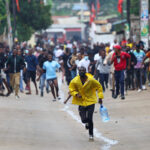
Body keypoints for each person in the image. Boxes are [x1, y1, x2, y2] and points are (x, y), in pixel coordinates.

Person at [67, 66, 104, 141]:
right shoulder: (74, 81)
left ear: (85, 71)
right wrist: (76, 94)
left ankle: (91, 134)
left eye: (83, 70)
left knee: (90, 118)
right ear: (78, 71)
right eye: (80, 70)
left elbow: (99, 87)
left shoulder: (91, 80)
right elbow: (71, 89)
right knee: (84, 120)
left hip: (90, 101)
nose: (81, 72)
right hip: (81, 102)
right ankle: (86, 123)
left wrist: (100, 97)